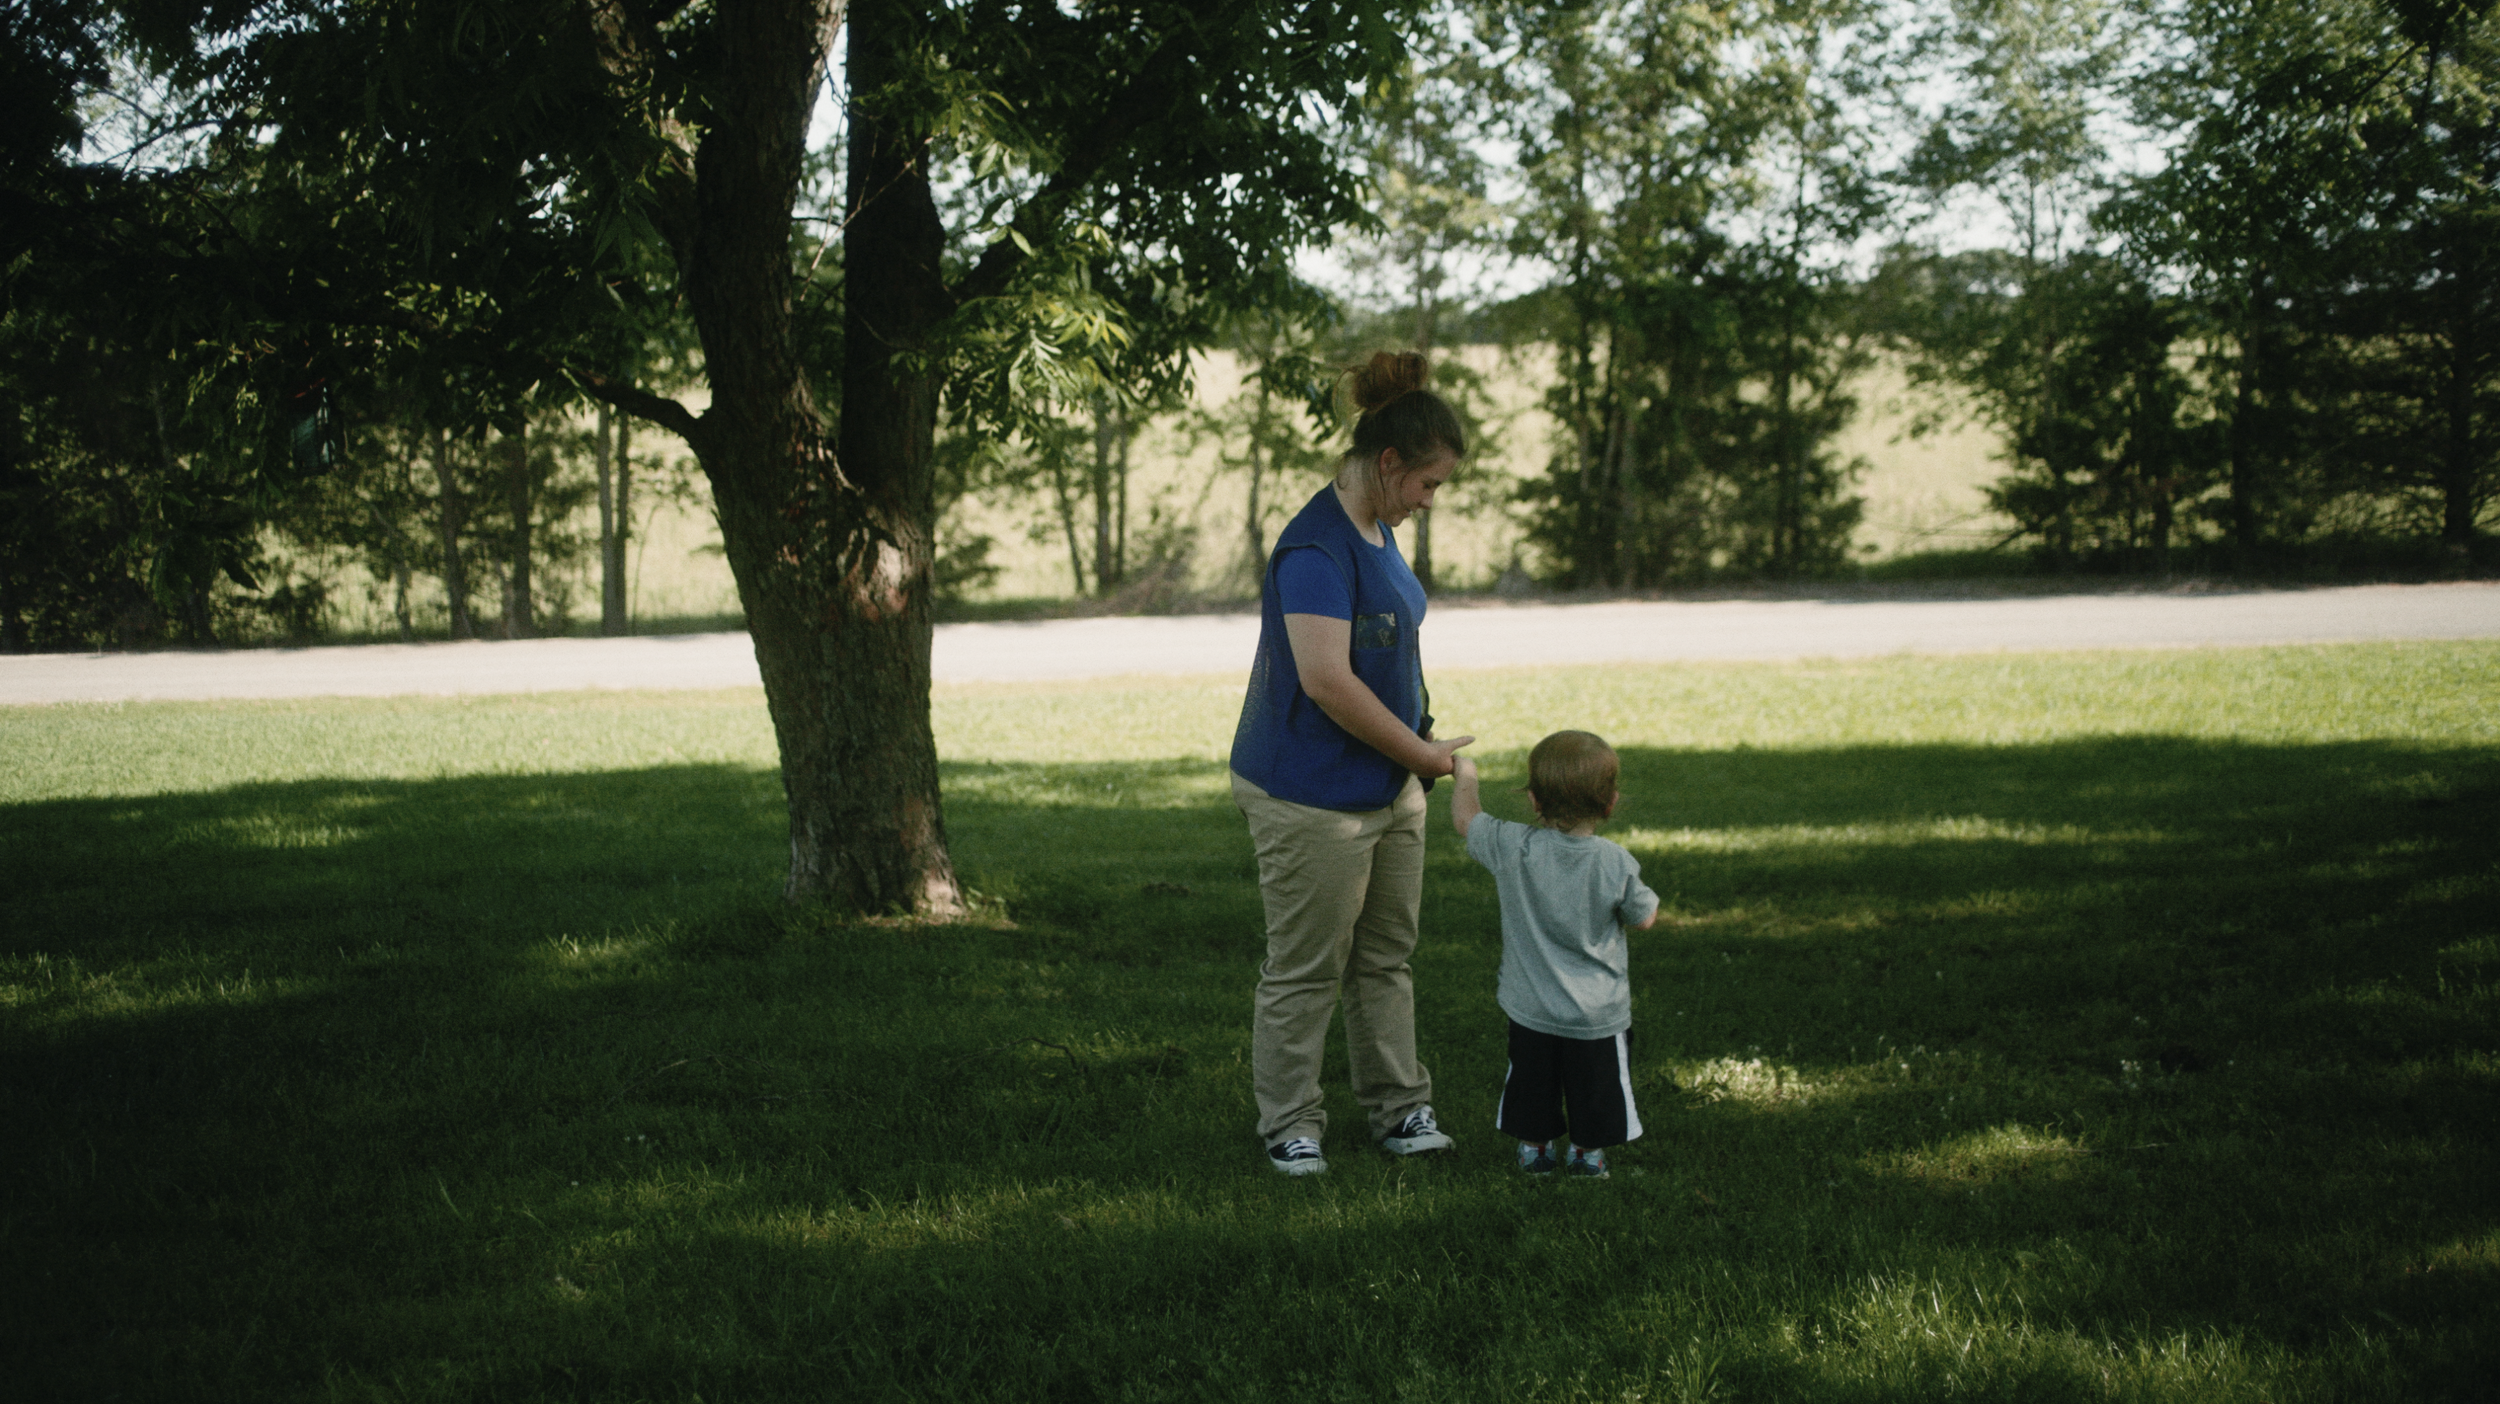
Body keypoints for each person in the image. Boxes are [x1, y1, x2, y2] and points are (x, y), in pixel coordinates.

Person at [1229, 351, 1475, 1176]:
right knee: (1306, 968)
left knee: (1385, 959)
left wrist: (1413, 757)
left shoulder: (1377, 529)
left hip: (1388, 786)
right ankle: (1290, 1125)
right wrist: (1425, 756)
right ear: (1389, 462)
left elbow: (1388, 646)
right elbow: (1328, 682)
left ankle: (1401, 1110)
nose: (1428, 502)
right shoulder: (1314, 550)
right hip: (1310, 794)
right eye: (1427, 485)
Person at [1448, 730, 1660, 1179]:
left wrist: (1464, 772)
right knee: (1597, 1088)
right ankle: (1586, 1155)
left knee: (1532, 1082)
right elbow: (1643, 917)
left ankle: (1534, 1152)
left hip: (1531, 1007)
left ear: (1533, 801)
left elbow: (1468, 820)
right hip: (1596, 1015)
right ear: (1610, 802)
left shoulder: (1512, 847)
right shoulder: (1615, 861)